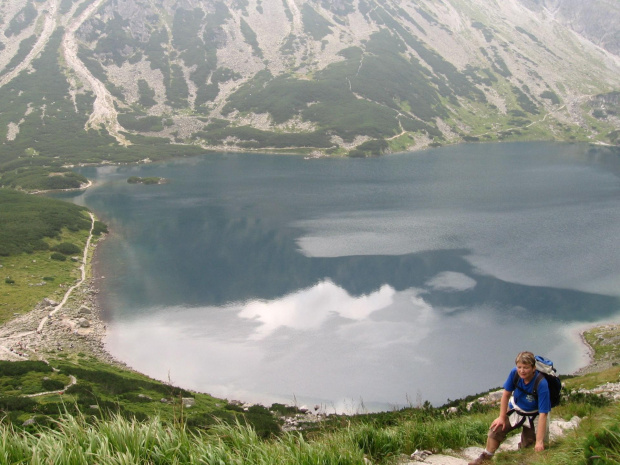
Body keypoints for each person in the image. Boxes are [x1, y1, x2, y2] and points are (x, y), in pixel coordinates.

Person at [468, 351, 551, 465]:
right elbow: (506, 395)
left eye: (526, 367)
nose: (522, 371)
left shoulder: (541, 383)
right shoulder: (515, 374)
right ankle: (485, 457)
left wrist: (539, 441)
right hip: (516, 409)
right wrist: (502, 417)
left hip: (534, 414)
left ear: (533, 368)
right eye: (519, 367)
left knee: (531, 446)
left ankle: (521, 454)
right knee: (496, 430)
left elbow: (543, 414)